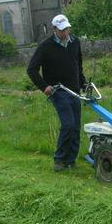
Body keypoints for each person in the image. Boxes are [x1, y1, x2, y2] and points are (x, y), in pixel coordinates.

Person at [27, 14, 86, 172]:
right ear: (54, 30)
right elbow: (31, 69)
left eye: (67, 29)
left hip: (74, 90)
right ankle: (60, 160)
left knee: (76, 127)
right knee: (68, 124)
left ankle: (71, 161)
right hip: (58, 90)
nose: (65, 33)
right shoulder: (46, 46)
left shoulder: (75, 42)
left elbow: (78, 65)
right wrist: (44, 87)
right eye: (62, 30)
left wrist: (83, 83)